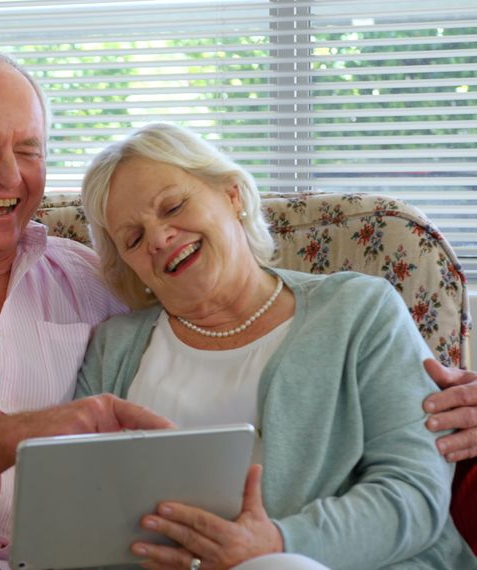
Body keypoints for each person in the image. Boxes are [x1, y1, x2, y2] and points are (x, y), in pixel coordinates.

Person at [0, 46, 477, 568]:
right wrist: (32, 432)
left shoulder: (89, 279)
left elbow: (407, 451)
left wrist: (456, 401)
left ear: (230, 192)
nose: (9, 176)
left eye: (29, 150)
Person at [76, 122, 477, 569]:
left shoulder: (359, 312)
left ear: (230, 195)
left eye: (172, 207)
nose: (157, 238)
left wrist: (277, 544)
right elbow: (81, 508)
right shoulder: (112, 350)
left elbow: (414, 493)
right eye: (133, 238)